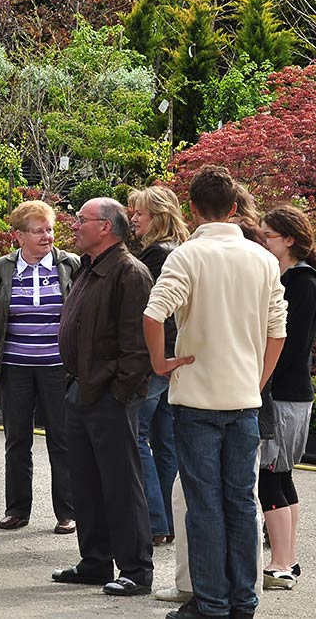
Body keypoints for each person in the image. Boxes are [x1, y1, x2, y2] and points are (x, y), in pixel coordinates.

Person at [144, 165, 287, 619]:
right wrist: (257, 380)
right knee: (242, 503)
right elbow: (277, 330)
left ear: (192, 208)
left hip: (197, 400)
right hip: (243, 400)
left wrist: (159, 363)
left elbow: (153, 314)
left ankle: (210, 602)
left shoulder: (187, 256)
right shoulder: (262, 258)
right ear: (233, 208)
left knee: (204, 505)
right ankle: (243, 601)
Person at [52, 197, 155, 598]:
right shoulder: (89, 268)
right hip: (81, 388)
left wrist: (119, 393)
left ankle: (136, 570)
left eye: (82, 220)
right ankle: (95, 562)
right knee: (86, 481)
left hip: (110, 395)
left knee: (121, 484)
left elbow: (138, 347)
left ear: (107, 227)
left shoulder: (129, 272)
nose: (74, 226)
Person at [0, 200, 78, 535]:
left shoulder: (70, 264)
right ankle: (17, 510)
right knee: (17, 439)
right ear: (19, 235)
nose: (47, 236)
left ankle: (67, 512)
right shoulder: (1, 268)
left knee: (62, 439)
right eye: (38, 231)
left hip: (58, 368)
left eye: (50, 229)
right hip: (15, 366)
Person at [258, 205, 316, 590]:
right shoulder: (291, 278)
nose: (262, 241)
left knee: (270, 477)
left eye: (268, 236)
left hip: (284, 394)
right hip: (289, 392)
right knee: (281, 475)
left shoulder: (300, 282)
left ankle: (281, 562)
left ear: (289, 239)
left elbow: (291, 346)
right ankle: (287, 561)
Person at [128, 186, 189, 546]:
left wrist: (151, 358)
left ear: (159, 216)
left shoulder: (157, 254)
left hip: (156, 361)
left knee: (137, 436)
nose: (134, 217)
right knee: (166, 442)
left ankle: (154, 521)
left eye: (141, 212)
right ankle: (168, 520)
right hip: (174, 359)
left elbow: (154, 313)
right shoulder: (181, 251)